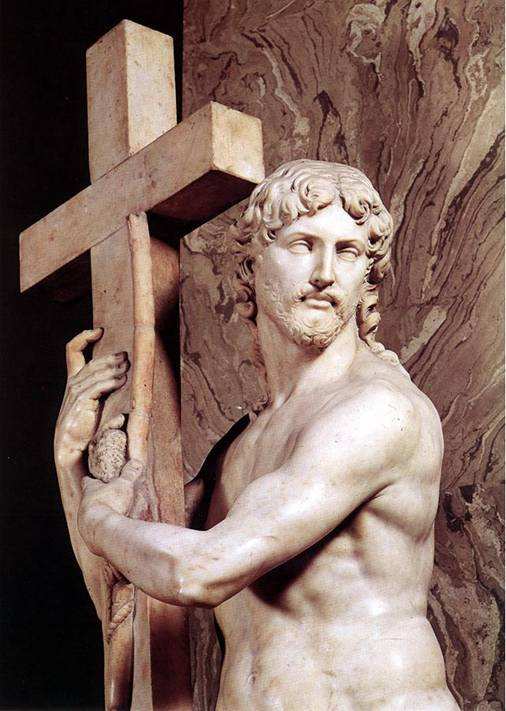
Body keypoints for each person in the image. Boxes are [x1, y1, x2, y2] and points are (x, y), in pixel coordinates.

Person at [55, 160, 460, 709]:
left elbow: (198, 572)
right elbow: (126, 575)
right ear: (252, 264)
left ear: (366, 276)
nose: (325, 273)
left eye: (347, 252)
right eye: (302, 245)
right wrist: (70, 461)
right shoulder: (242, 446)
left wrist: (97, 519)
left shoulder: (377, 410)